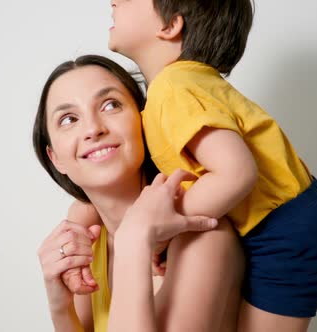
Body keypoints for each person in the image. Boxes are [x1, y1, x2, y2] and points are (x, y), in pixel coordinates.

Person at [68, 0, 317, 331]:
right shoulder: (181, 86)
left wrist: (164, 230)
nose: (114, 1)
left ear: (170, 27)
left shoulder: (174, 89)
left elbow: (235, 173)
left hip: (282, 230)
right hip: (292, 216)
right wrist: (80, 219)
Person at [34, 55, 245, 331]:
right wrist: (60, 307)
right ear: (55, 158)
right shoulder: (90, 238)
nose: (93, 129)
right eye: (68, 119)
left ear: (144, 122)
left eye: (111, 105)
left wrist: (133, 240)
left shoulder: (202, 237)